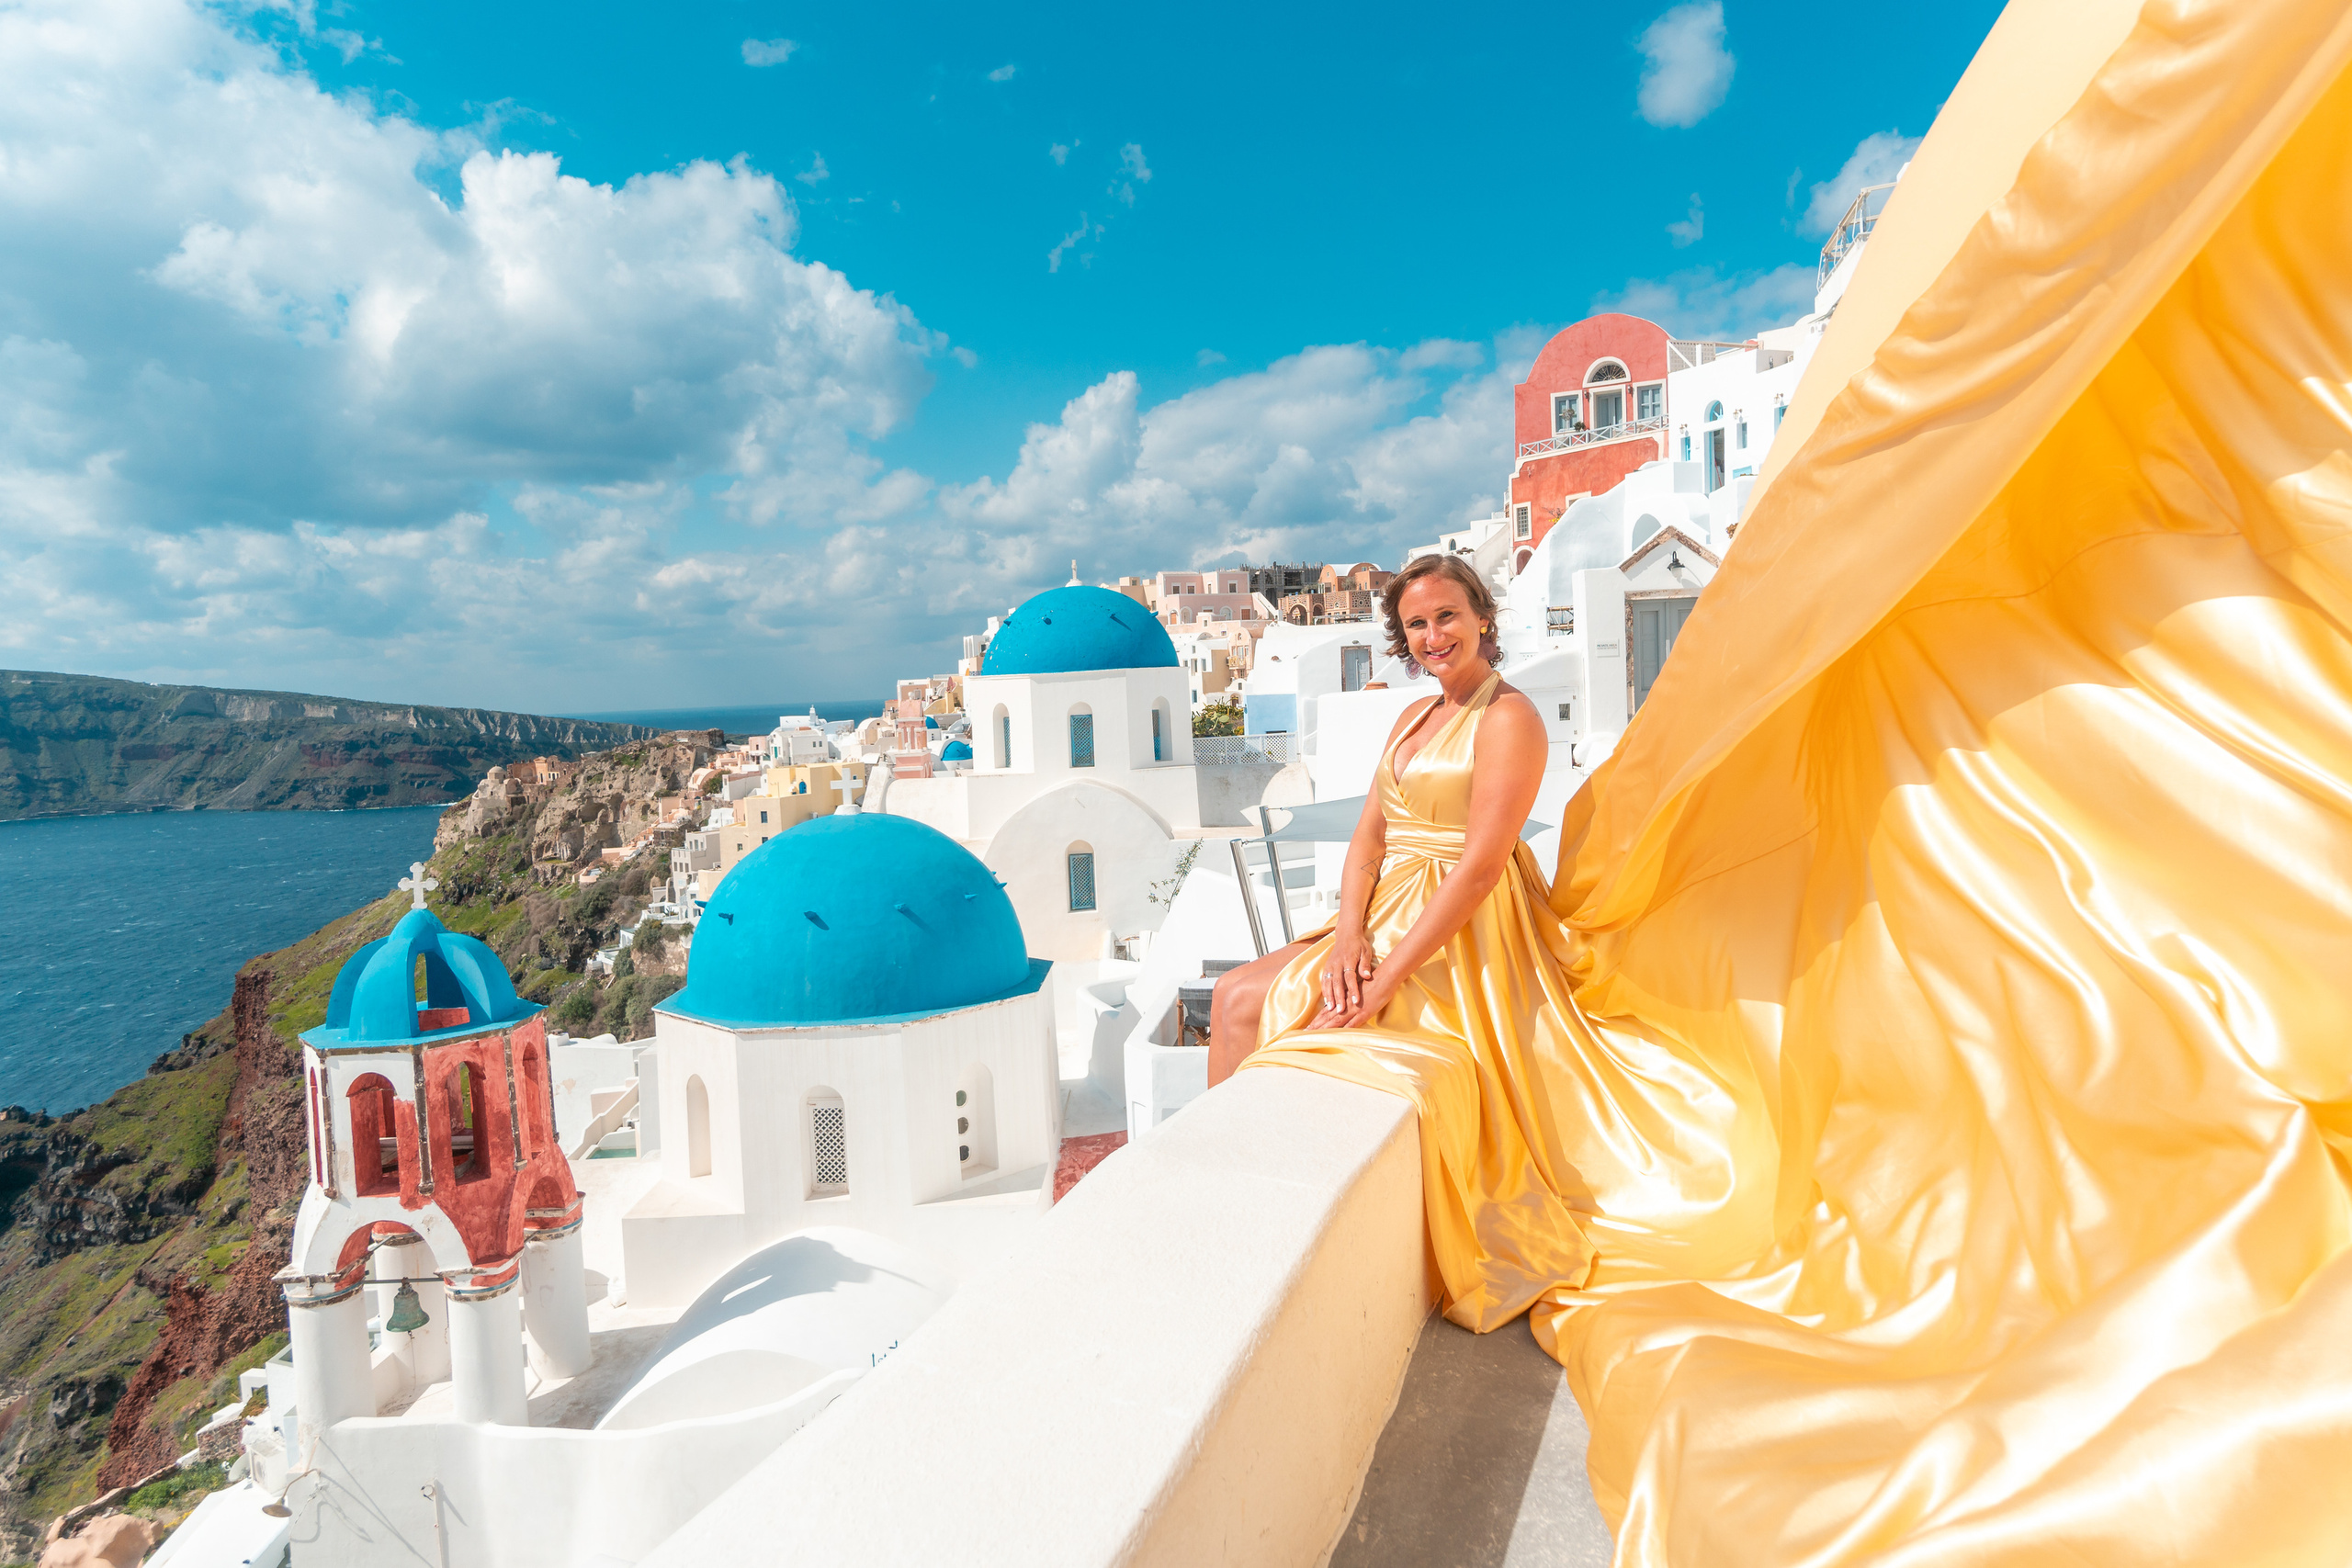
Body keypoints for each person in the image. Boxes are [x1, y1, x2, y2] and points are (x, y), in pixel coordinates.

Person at [1208, 551, 1608, 1330]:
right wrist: (1350, 935)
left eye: (1447, 616)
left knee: (1267, 1007)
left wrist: (1387, 975)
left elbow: (1482, 866)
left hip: (1463, 928)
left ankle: (1245, 1216)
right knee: (1232, 995)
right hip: (1382, 911)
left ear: (1483, 616)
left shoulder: (1511, 718)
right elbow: (1367, 840)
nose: (1433, 635)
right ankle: (1226, 1196)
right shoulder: (1412, 716)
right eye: (1417, 623)